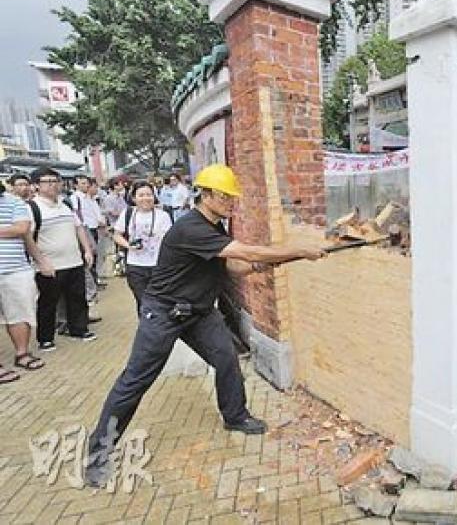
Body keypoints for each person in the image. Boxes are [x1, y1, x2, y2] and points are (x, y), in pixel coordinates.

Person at [85, 163, 326, 487]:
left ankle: (235, 415)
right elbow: (247, 250)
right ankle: (98, 456)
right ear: (207, 194)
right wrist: (297, 249)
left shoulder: (215, 229)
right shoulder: (191, 227)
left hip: (199, 312)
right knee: (135, 381)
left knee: (226, 359)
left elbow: (235, 266)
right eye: (224, 196)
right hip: (164, 314)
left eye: (232, 197)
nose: (230, 202)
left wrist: (263, 265)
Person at [29, 167, 97, 351]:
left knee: (77, 297)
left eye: (55, 181)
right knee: (48, 302)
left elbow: (79, 228)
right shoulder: (33, 208)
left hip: (73, 260)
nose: (53, 185)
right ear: (36, 185)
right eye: (47, 181)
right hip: (50, 265)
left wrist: (87, 250)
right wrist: (41, 261)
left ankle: (79, 329)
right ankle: (45, 338)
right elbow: (27, 239)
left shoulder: (65, 204)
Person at [0, 181, 47, 383]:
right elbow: (15, 229)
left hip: (16, 270)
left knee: (20, 313)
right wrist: (8, 229)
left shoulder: (15, 203)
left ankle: (22, 354)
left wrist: (41, 260)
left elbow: (22, 228)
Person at [112, 181, 172, 312]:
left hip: (158, 266)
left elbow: (170, 241)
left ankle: (159, 329)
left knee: (160, 301)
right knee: (143, 302)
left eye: (149, 194)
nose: (145, 198)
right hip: (135, 267)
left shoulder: (163, 215)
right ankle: (147, 329)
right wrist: (128, 245)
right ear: (134, 198)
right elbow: (117, 235)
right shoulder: (127, 214)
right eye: (141, 195)